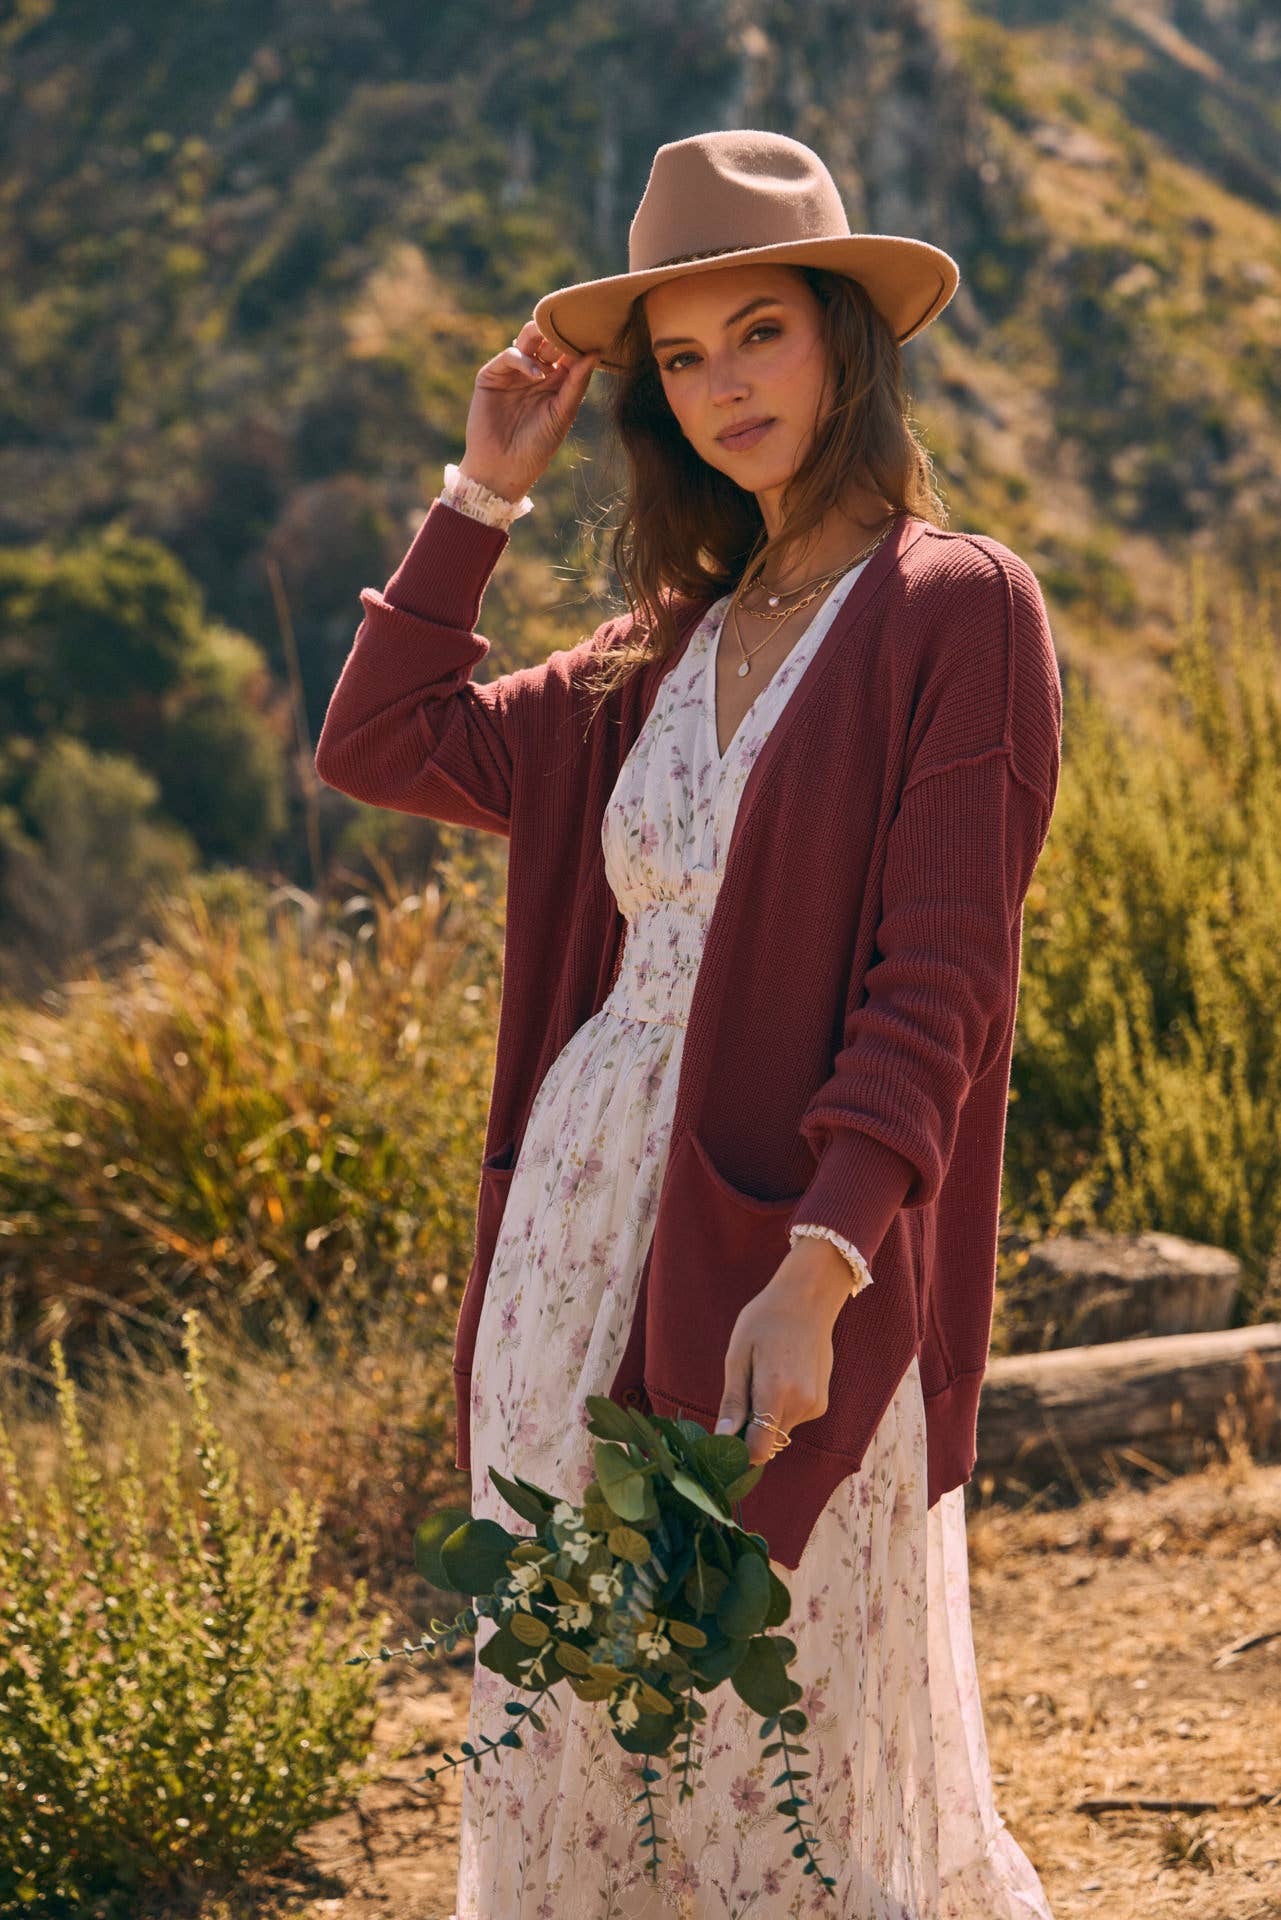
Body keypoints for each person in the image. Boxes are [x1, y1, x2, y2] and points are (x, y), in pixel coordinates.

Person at [316, 130, 1060, 1920]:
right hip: (569, 1240)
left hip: (776, 1242)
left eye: (761, 334)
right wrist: (482, 490)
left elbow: (939, 970)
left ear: (842, 343)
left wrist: (821, 1264)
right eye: (680, 357)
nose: (722, 384)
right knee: (581, 1701)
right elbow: (379, 740)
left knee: (784, 1717)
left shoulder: (954, 609)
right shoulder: (654, 652)